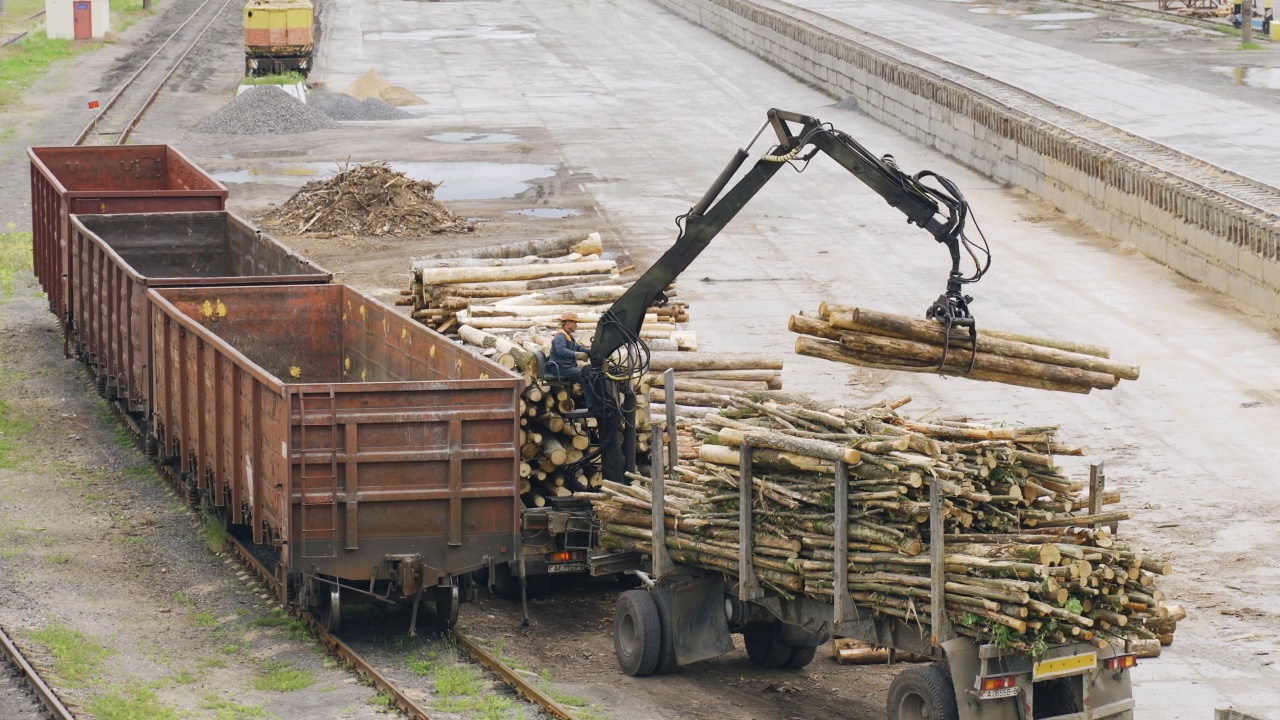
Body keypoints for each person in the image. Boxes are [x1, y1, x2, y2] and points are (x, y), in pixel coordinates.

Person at [546, 312, 594, 406]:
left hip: (565, 366)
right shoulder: (560, 336)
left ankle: (589, 403)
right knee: (585, 374)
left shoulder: (568, 336)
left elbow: (578, 348)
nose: (576, 325)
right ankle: (591, 406)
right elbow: (561, 351)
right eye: (574, 323)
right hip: (559, 367)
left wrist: (591, 352)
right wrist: (577, 355)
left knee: (589, 373)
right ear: (568, 323)